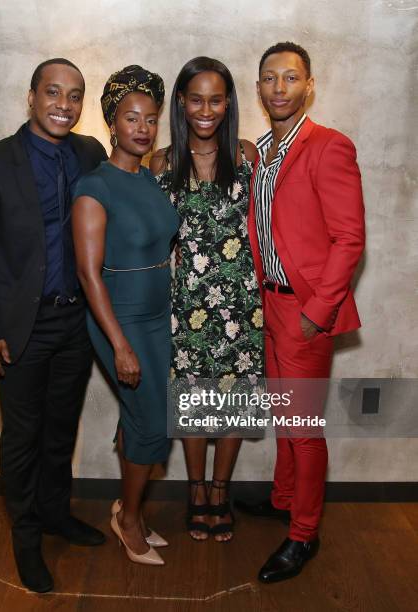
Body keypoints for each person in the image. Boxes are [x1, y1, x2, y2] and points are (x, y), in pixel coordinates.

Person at [0, 58, 107, 593]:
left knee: (61, 429)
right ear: (31, 96)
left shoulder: (90, 154)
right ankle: (26, 538)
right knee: (22, 436)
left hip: (75, 322)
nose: (63, 105)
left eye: (73, 96)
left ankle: (55, 515)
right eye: (52, 93)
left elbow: (130, 175)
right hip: (20, 328)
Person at [235, 42, 365, 582]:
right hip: (267, 304)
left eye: (291, 78)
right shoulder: (261, 153)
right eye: (270, 78)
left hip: (304, 311)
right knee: (285, 418)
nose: (280, 87)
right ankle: (285, 498)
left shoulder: (329, 146)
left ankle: (304, 535)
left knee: (304, 427)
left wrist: (318, 310)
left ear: (308, 86)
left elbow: (349, 238)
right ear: (260, 87)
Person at [150, 57, 264, 542]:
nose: (206, 109)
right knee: (195, 399)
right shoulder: (161, 162)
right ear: (181, 101)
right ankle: (196, 491)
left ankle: (221, 489)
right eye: (196, 99)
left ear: (228, 103)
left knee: (233, 400)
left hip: (242, 301)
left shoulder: (246, 156)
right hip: (188, 302)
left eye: (216, 100)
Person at [72, 65, 179, 566]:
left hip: (158, 314)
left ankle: (129, 506)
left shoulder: (151, 177)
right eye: (130, 117)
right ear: (111, 123)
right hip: (122, 318)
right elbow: (90, 274)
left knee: (141, 415)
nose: (142, 127)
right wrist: (118, 344)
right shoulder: (95, 186)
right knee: (152, 421)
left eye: (151, 118)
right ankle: (129, 519)